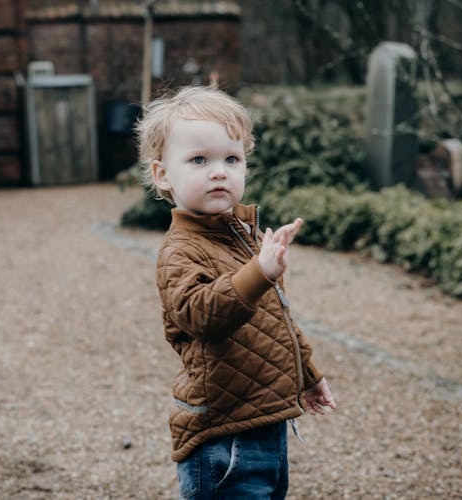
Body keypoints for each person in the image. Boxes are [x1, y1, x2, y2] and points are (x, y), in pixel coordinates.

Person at [137, 86, 337, 499]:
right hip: (222, 434)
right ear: (163, 176)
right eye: (198, 160)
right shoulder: (180, 250)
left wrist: (308, 375)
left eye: (232, 159)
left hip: (266, 419)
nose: (218, 171)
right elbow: (200, 314)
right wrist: (258, 272)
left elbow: (276, 317)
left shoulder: (242, 239)